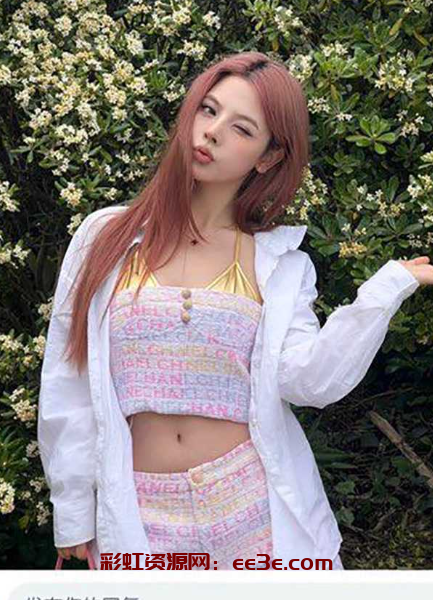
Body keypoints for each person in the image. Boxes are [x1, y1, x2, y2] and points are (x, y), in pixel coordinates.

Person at [37, 51, 431, 571]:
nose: (213, 132)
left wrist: (388, 287)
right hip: (138, 508)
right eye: (209, 110)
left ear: (268, 157)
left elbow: (308, 381)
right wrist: (72, 512)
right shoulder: (105, 237)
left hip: (251, 505)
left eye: (241, 128)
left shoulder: (279, 264)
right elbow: (67, 378)